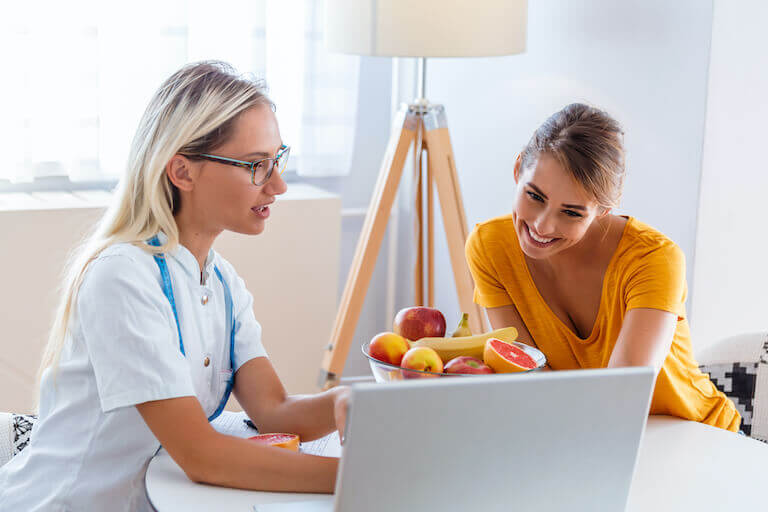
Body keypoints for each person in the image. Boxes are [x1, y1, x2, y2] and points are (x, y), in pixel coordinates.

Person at [0, 61, 348, 511]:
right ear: (182, 172)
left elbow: (274, 410)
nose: (278, 185)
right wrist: (356, 479)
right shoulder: (121, 277)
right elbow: (202, 456)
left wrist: (346, 400)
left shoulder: (223, 283)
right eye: (257, 166)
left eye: (277, 160)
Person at [465, 103, 740, 431]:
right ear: (518, 169)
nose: (541, 225)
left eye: (571, 212)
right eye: (535, 196)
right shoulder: (489, 247)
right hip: (587, 435)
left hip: (691, 434)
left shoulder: (653, 259)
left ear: (604, 209)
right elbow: (530, 379)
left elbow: (621, 397)